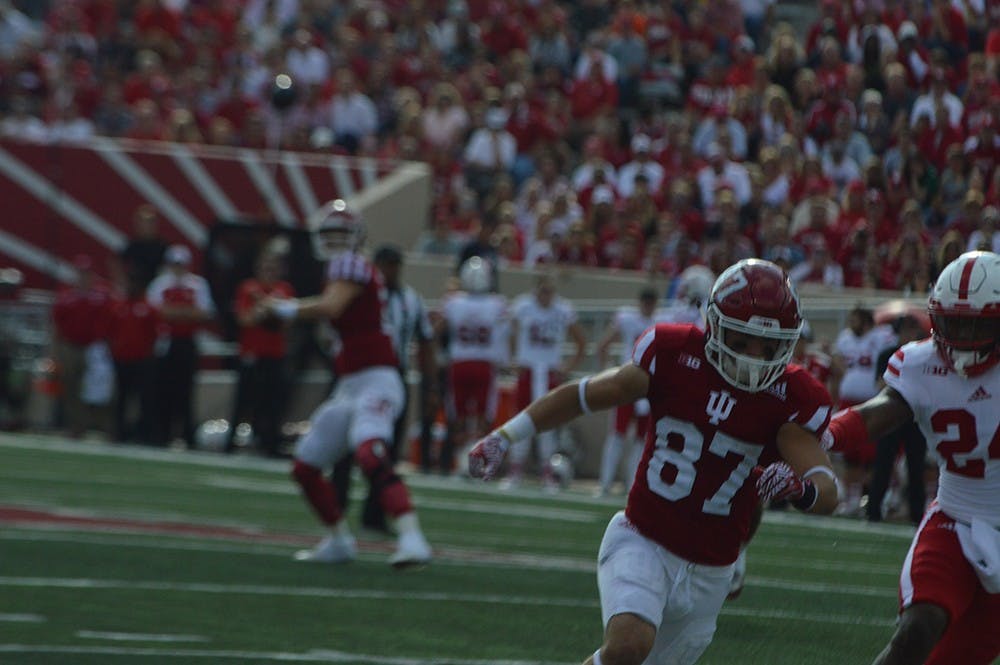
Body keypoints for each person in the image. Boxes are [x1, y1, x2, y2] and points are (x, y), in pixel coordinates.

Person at [469, 258, 838, 665]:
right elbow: (583, 395)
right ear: (715, 326)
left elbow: (826, 487)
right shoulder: (675, 355)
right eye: (741, 340)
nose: (754, 358)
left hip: (711, 567)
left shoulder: (791, 398)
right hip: (644, 537)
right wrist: (505, 436)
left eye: (768, 348)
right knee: (628, 648)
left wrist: (801, 491)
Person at [824, 251, 1000, 665]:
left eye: (976, 325)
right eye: (953, 322)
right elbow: (876, 414)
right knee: (917, 629)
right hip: (954, 520)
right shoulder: (921, 363)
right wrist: (825, 435)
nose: (961, 336)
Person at [261, 199, 431, 567]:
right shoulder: (342, 271)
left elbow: (331, 307)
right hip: (351, 385)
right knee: (306, 467)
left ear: (356, 237)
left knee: (370, 452)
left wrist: (283, 309)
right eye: (330, 234)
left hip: (378, 381)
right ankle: (338, 540)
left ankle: (413, 537)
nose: (336, 241)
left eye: (342, 234)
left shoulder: (351, 265)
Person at [332, 244, 438, 533]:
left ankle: (374, 514)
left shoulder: (410, 300)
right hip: (359, 370)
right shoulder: (362, 292)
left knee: (384, 448)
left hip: (392, 375)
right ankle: (335, 509)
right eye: (385, 265)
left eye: (395, 265)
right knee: (343, 443)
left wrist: (431, 386)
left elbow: (426, 341)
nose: (390, 271)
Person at [505, 272, 587, 489]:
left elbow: (581, 342)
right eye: (543, 290)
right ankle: (516, 470)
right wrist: (514, 359)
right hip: (528, 371)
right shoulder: (523, 306)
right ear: (536, 290)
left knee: (548, 423)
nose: (546, 296)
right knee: (521, 419)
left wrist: (567, 367)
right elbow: (508, 332)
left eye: (550, 291)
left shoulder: (562, 309)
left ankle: (546, 473)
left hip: (549, 372)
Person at [439, 256, 510, 468]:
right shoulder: (497, 304)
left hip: (459, 362)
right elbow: (506, 333)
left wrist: (439, 355)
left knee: (458, 416)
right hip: (484, 364)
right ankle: (479, 460)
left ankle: (459, 459)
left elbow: (437, 329)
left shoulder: (453, 302)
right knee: (482, 417)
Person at [830, 304, 897, 514]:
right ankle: (852, 500)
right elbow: (838, 364)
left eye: (855, 319)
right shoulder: (846, 338)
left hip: (871, 403)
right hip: (848, 401)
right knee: (850, 455)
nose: (851, 323)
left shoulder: (882, 336)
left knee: (870, 456)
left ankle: (876, 497)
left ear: (866, 320)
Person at [146, 244, 215, 447]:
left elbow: (204, 312)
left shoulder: (197, 284)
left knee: (185, 390)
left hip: (186, 342)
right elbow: (154, 310)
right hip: (165, 343)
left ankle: (186, 434)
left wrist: (174, 313)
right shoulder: (160, 284)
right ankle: (161, 433)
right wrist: (186, 312)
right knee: (163, 388)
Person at [228, 249, 295, 457]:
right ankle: (231, 441)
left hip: (274, 353)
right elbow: (245, 319)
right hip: (252, 353)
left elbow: (286, 323)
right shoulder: (248, 288)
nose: (269, 270)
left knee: (272, 400)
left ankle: (269, 441)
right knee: (244, 398)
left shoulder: (284, 290)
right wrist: (265, 310)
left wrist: (264, 308)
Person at [594, 287, 659, 497]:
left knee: (642, 440)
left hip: (647, 387)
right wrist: (607, 371)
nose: (647, 306)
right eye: (645, 301)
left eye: (650, 302)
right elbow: (603, 344)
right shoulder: (628, 318)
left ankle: (632, 485)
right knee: (617, 435)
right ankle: (606, 483)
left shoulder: (660, 323)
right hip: (627, 384)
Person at [865, 314, 928, 524]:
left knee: (915, 466)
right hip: (891, 415)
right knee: (883, 463)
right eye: (906, 330)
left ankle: (916, 514)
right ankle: (873, 510)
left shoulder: (922, 357)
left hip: (913, 416)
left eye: (913, 330)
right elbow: (879, 385)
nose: (909, 334)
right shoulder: (888, 355)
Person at [51, 254, 114, 438]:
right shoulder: (66, 298)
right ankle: (76, 426)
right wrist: (55, 351)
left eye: (87, 274)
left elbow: (111, 322)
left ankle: (102, 426)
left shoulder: (102, 296)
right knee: (71, 386)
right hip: (71, 346)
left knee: (99, 388)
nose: (83, 278)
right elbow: (56, 326)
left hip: (96, 349)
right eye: (81, 274)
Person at [107, 270, 160, 444]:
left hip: (142, 360)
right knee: (121, 397)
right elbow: (110, 331)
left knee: (144, 399)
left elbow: (155, 334)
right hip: (122, 358)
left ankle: (144, 433)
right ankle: (119, 432)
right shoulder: (119, 307)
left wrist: (149, 355)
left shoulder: (149, 308)